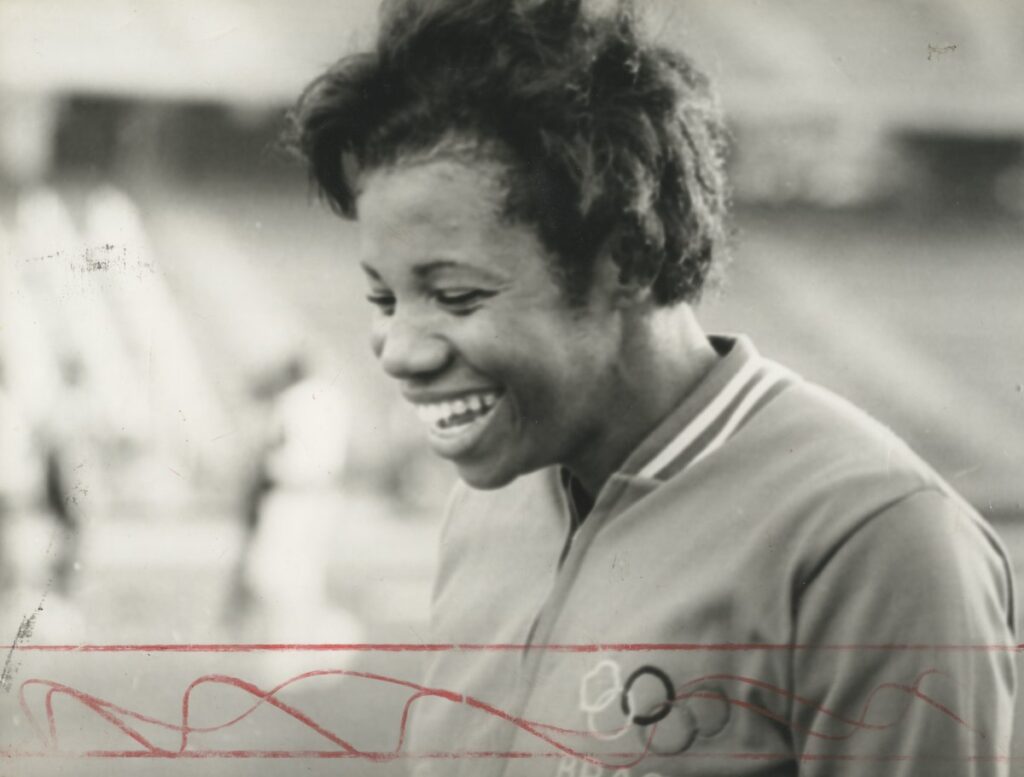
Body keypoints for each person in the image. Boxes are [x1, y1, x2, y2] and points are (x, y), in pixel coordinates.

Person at [288, 1, 1016, 774]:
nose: (399, 350)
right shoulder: (486, 505)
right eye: (383, 297)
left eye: (457, 295)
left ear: (628, 260)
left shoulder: (873, 540)